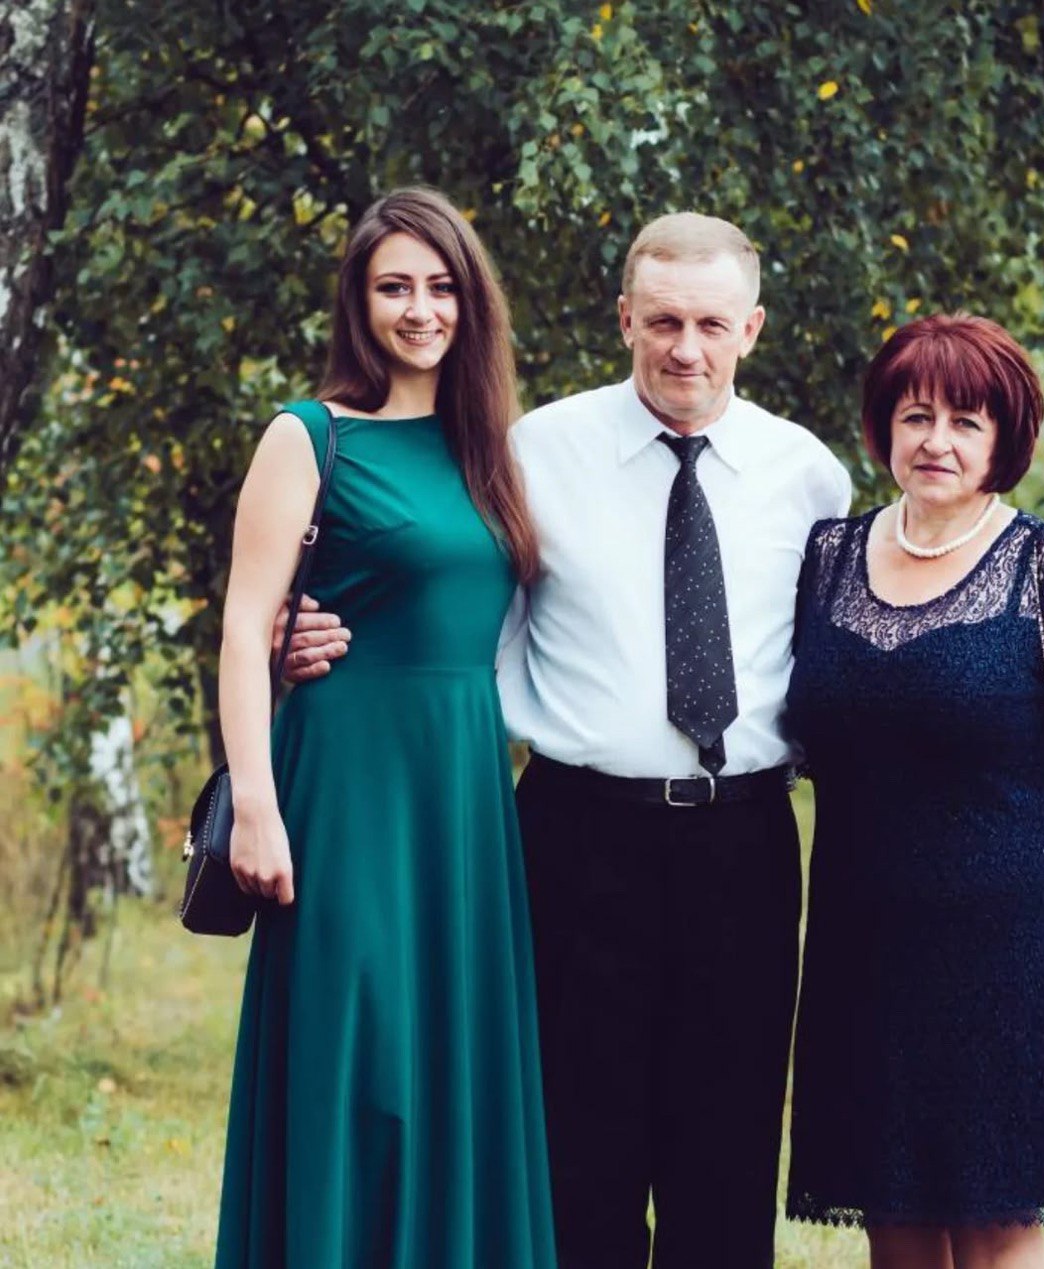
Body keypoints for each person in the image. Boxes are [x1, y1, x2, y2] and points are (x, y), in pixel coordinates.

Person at [284, 212, 852, 1269]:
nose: (686, 348)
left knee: (726, 1158)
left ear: (752, 329)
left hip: (743, 844)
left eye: (712, 324)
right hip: (576, 837)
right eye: (664, 321)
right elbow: (442, 603)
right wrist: (307, 634)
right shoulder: (529, 455)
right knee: (575, 1160)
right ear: (624, 317)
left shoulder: (809, 477)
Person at [214, 187, 557, 1269]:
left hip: (462, 793)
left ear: (471, 301)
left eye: (441, 287)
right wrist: (256, 807)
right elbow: (244, 628)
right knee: (357, 1053)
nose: (420, 309)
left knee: (450, 1060)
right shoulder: (309, 435)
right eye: (394, 287)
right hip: (347, 784)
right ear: (358, 303)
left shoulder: (492, 448)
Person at [784, 313, 1044, 1268]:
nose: (937, 441)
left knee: (996, 1225)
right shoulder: (827, 558)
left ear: (1006, 438)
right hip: (864, 946)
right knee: (894, 1215)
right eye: (916, 416)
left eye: (966, 421)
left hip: (1011, 953)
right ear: (885, 426)